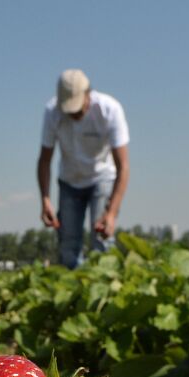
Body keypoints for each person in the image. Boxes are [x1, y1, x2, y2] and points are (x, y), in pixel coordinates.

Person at [36, 69, 130, 269]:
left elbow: (123, 166)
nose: (74, 114)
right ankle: (73, 295)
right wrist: (45, 199)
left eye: (78, 109)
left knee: (102, 239)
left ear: (88, 94)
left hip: (102, 179)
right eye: (69, 111)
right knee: (68, 245)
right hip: (69, 181)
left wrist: (111, 212)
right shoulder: (52, 112)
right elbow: (45, 160)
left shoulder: (109, 110)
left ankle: (104, 293)